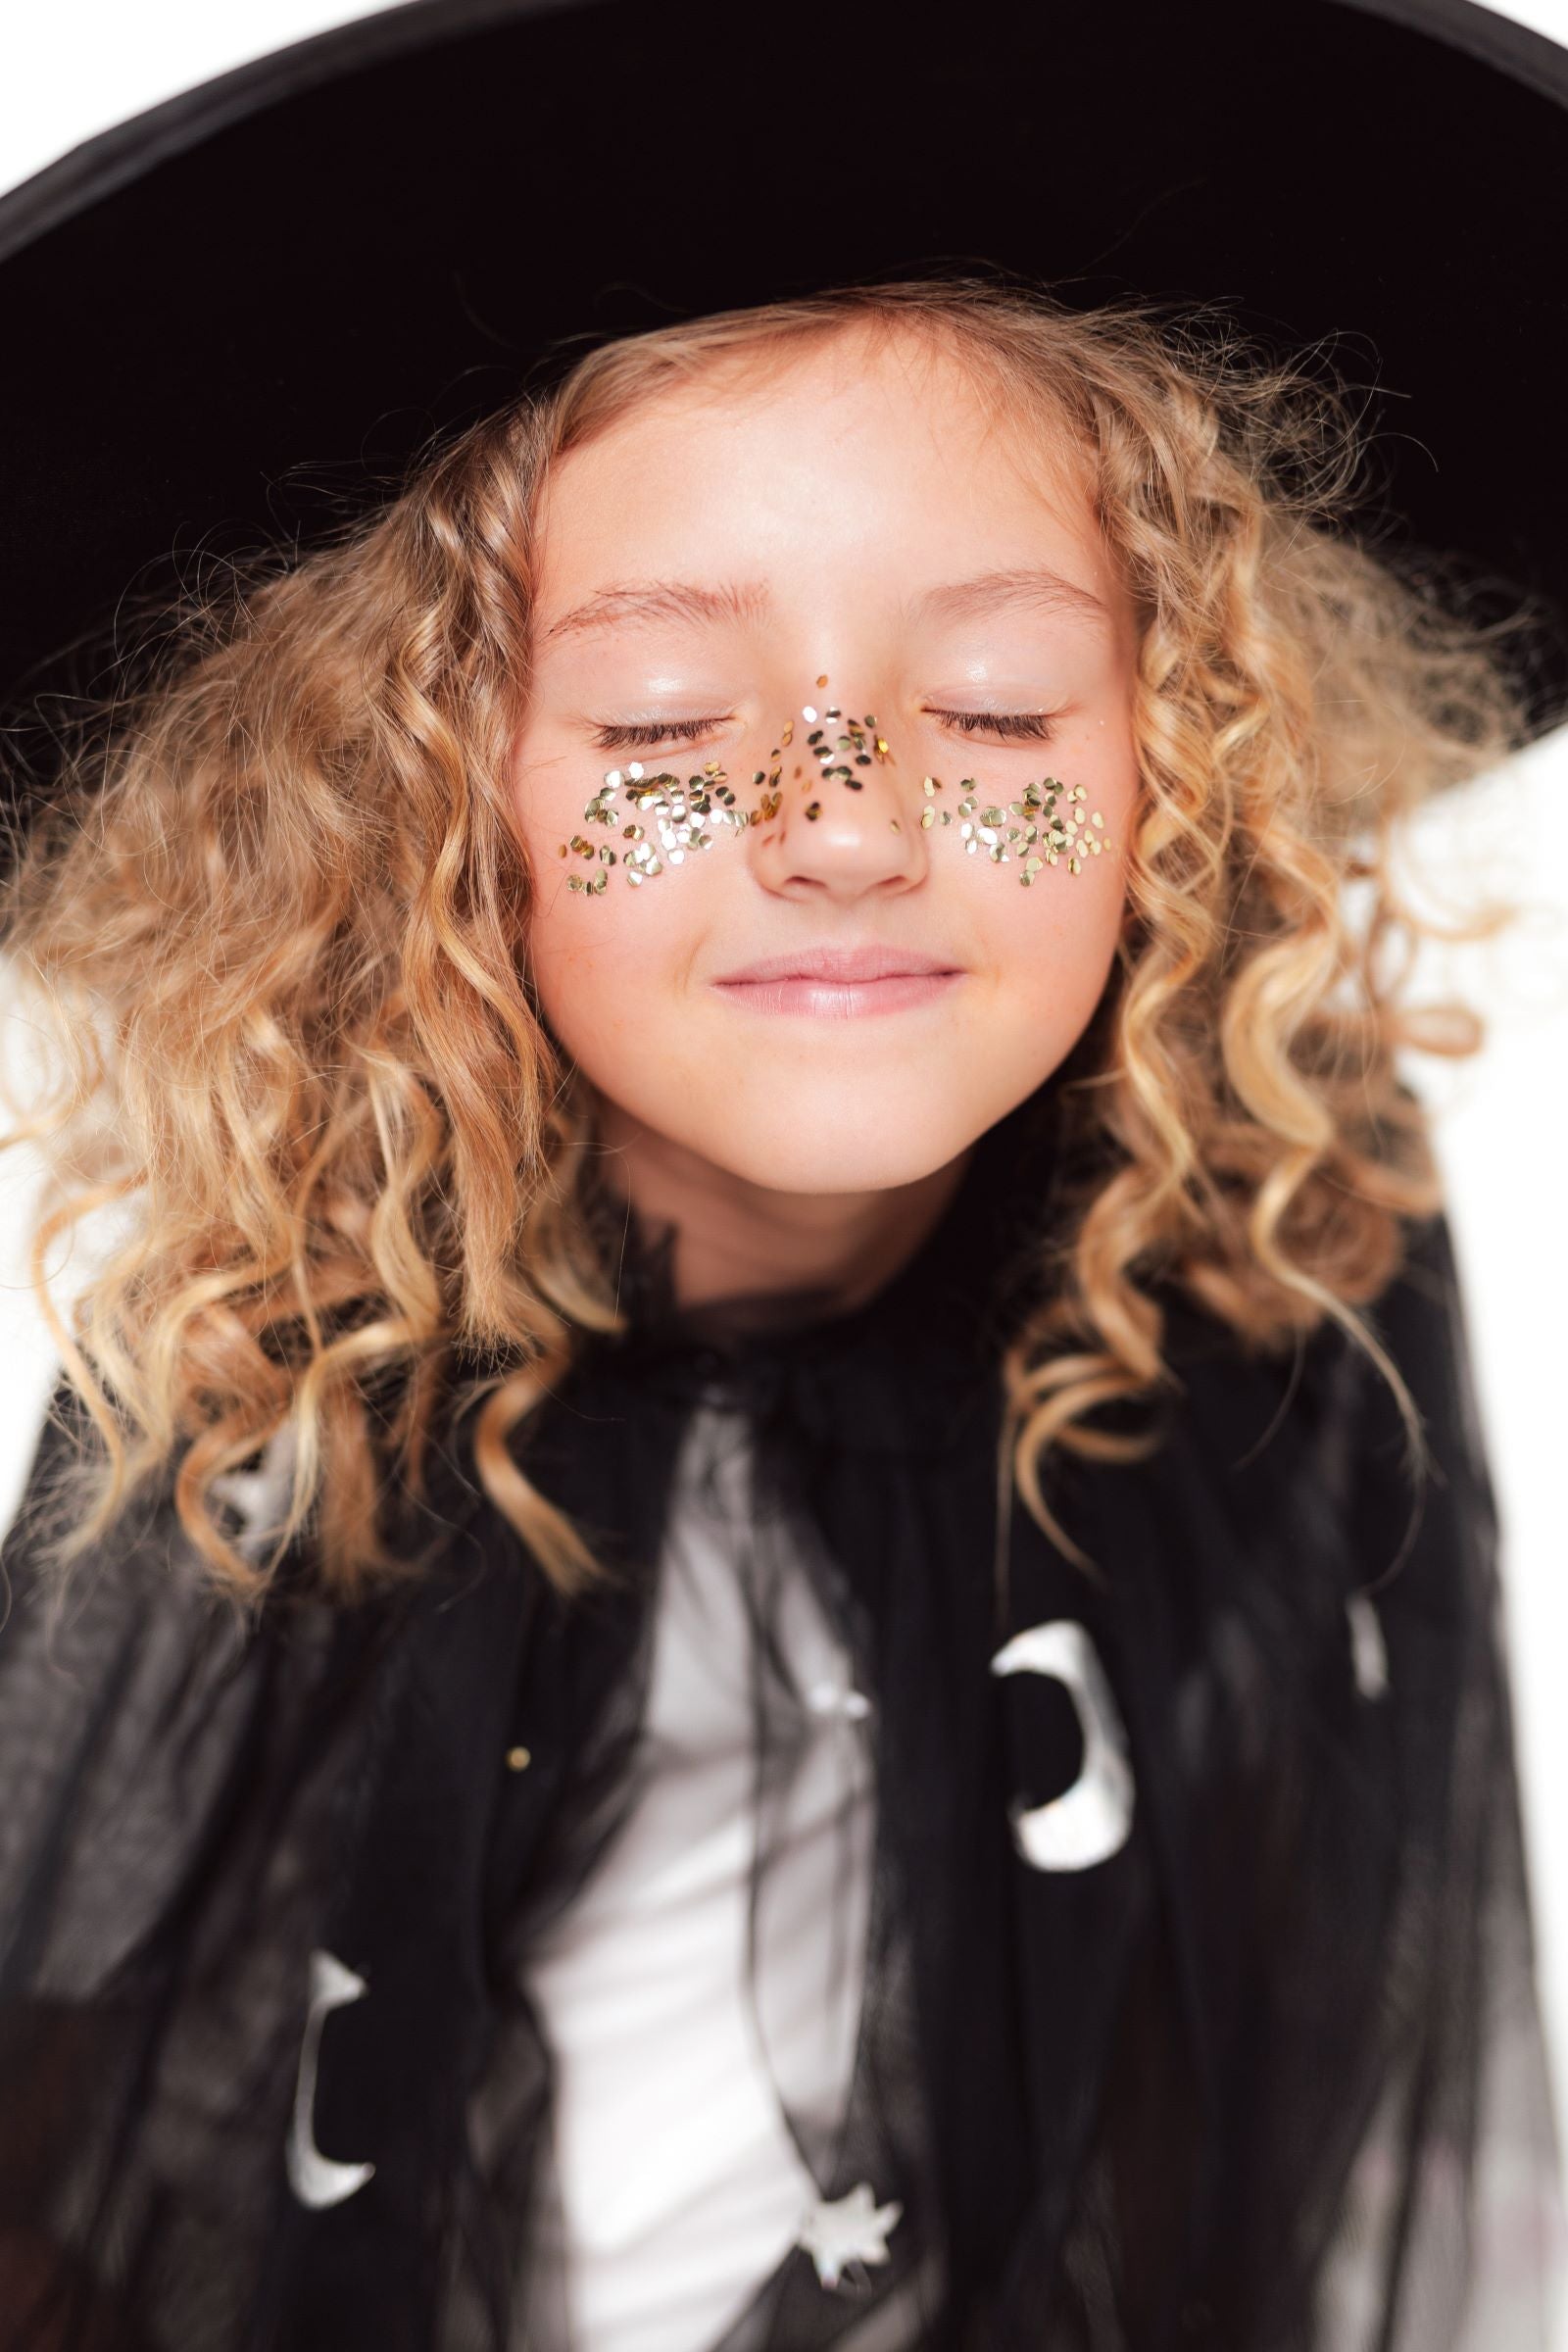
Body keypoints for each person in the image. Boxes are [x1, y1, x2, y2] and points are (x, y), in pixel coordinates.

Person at [0, 275, 1562, 2352]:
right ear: (422, 780)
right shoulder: (217, 1354)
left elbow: (1285, 2077)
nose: (846, 823)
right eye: (661, 721)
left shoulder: (1266, 1228)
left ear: (1173, 749)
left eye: (997, 704)